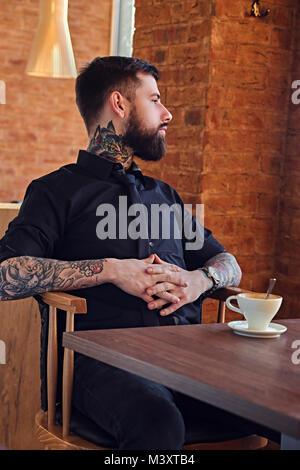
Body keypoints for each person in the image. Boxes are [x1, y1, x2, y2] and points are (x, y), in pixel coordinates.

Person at [0, 57, 279, 449]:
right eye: (155, 100)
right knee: (158, 422)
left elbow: (228, 264)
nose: (167, 114)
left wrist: (199, 280)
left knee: (277, 404)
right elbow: (6, 275)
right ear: (120, 104)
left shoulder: (165, 196)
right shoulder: (54, 192)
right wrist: (111, 270)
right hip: (99, 366)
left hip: (184, 360)